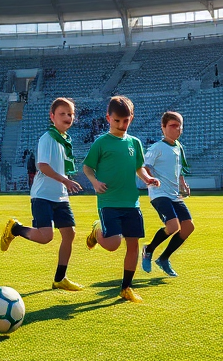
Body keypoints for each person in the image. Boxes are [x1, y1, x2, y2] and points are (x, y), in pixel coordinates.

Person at [1, 98, 85, 291]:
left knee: (69, 234)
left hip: (60, 196)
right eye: (62, 114)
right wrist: (65, 180)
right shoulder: (47, 138)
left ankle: (60, 278)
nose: (67, 117)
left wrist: (65, 182)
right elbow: (43, 166)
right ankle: (16, 229)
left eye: (70, 114)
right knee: (46, 236)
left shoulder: (65, 141)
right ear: (52, 116)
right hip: (43, 195)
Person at [82, 95, 160, 303]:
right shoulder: (101, 142)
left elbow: (138, 167)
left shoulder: (134, 143)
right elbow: (87, 167)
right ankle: (97, 230)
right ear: (108, 118)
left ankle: (126, 287)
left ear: (131, 118)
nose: (121, 125)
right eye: (117, 121)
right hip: (108, 201)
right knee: (113, 243)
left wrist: (147, 178)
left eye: (125, 121)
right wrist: (95, 182)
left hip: (131, 202)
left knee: (133, 245)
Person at [141, 111, 194, 277]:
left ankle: (163, 258)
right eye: (172, 126)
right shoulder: (157, 147)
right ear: (163, 127)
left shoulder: (179, 147)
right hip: (159, 193)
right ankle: (148, 250)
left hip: (174, 194)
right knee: (172, 226)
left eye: (179, 126)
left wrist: (183, 184)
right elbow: (144, 166)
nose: (177, 129)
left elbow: (179, 170)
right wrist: (149, 179)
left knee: (188, 227)